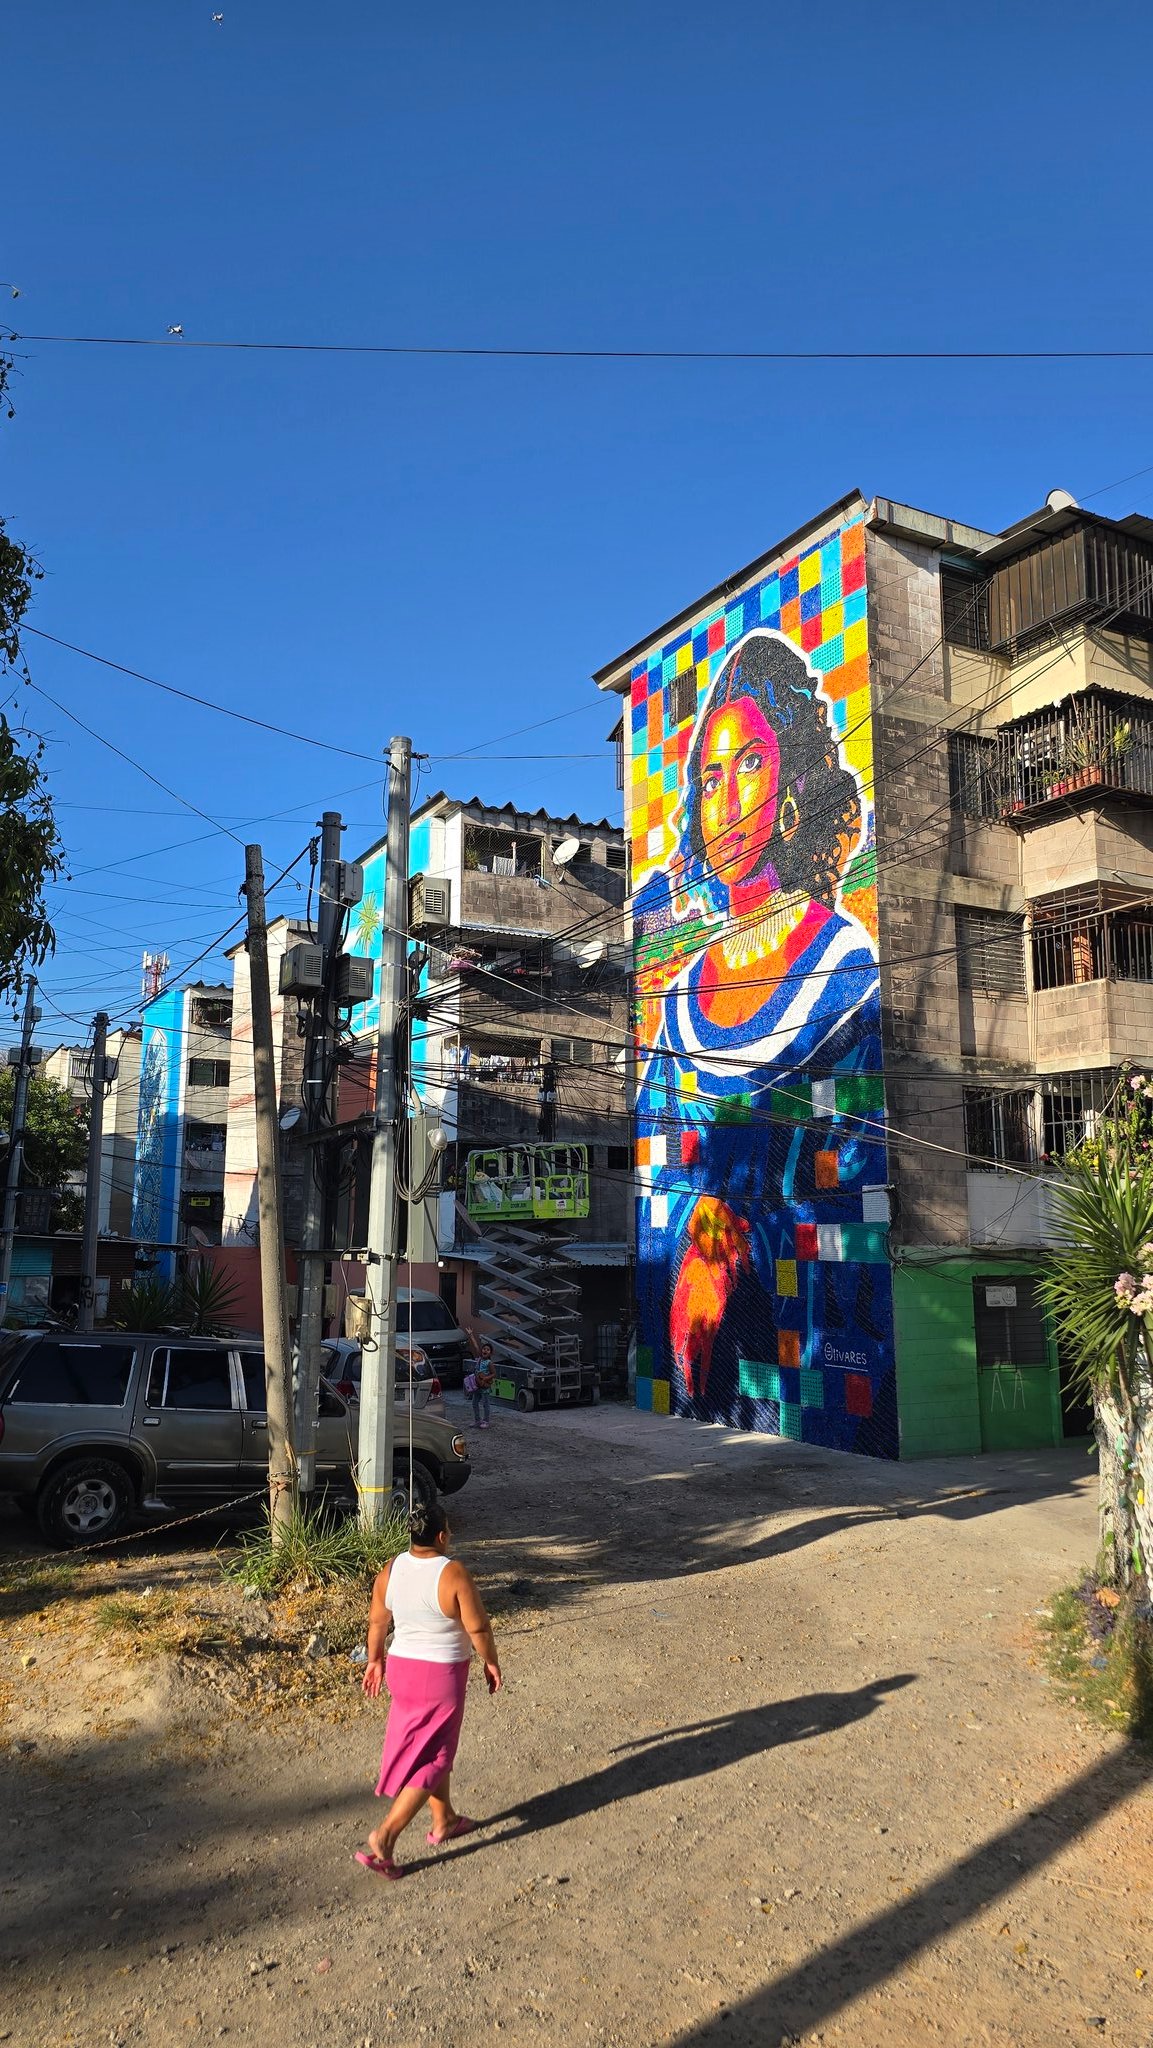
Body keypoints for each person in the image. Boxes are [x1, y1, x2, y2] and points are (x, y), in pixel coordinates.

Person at [635, 628, 887, 1422]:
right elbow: (655, 1174)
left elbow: (856, 1186)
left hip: (801, 1349)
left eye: (748, 764)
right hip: (690, 1343)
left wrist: (742, 1229)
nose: (726, 799)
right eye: (708, 777)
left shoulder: (845, 972)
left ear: (789, 793)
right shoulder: (678, 999)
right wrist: (696, 1230)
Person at [356, 1501, 502, 1880]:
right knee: (437, 1755)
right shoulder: (452, 1573)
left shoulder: (391, 1569)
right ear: (441, 1536)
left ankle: (444, 1819)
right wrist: (490, 1661)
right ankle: (386, 1836)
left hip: (402, 1670)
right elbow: (478, 1628)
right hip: (440, 1676)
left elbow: (377, 1622)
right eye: (449, 1531)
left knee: (431, 1745)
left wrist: (375, 1660)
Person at [464, 1338, 495, 1428]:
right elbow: (476, 1347)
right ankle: (477, 1420)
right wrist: (471, 1335)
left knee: (485, 1404)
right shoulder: (479, 1359)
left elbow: (494, 1373)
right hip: (477, 1385)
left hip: (484, 1386)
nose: (485, 1351)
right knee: (474, 1402)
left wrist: (485, 1378)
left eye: (488, 1350)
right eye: (484, 1349)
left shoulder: (489, 1363)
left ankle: (486, 1421)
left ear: (490, 1353)